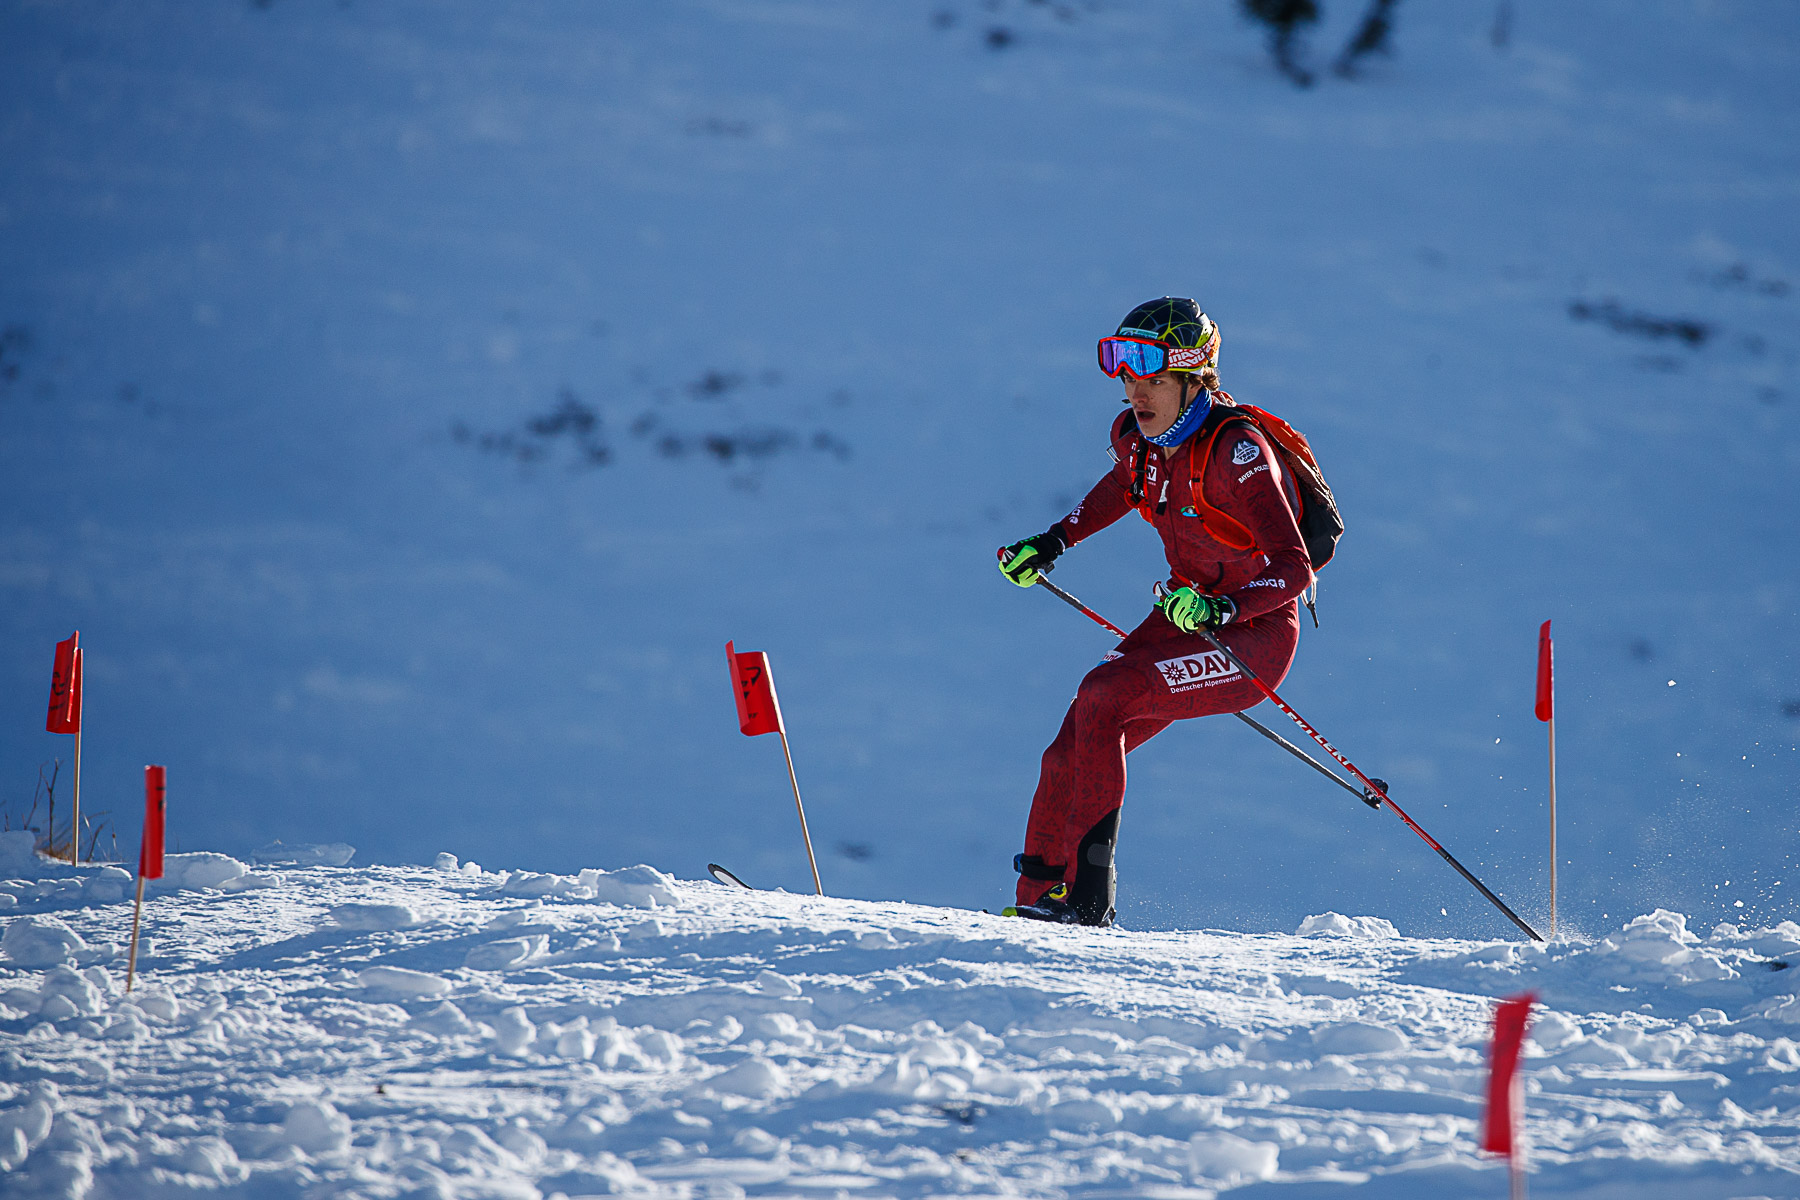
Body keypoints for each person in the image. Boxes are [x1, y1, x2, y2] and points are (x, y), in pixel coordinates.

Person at [996, 297, 1313, 926]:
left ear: (1194, 378)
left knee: (1104, 694)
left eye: (1155, 381)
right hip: (1183, 618)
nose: (1137, 395)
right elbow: (1124, 485)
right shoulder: (1136, 440)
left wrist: (1221, 608)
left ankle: (1088, 906)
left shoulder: (1236, 451)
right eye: (1129, 379)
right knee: (1065, 754)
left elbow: (1294, 565)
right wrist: (1054, 541)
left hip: (1251, 639)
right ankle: (1035, 909)